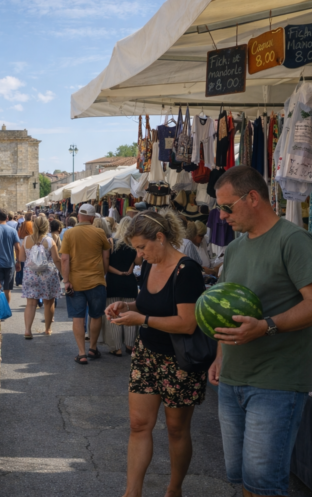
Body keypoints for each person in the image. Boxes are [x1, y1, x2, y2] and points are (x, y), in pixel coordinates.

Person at [208, 166, 312, 497]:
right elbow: (226, 307)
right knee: (242, 478)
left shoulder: (293, 240)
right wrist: (220, 355)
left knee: (264, 483)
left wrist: (267, 327)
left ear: (252, 198)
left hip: (276, 383)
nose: (221, 216)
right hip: (233, 379)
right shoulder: (234, 249)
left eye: (226, 207)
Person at [104, 209, 207, 497]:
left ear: (160, 237)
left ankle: (174, 490)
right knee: (138, 424)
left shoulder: (188, 271)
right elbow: (147, 304)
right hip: (146, 354)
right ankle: (131, 492)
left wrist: (143, 320)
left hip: (180, 360)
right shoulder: (150, 266)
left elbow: (187, 324)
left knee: (176, 429)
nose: (139, 255)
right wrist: (127, 307)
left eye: (141, 247)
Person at [60, 204, 111, 364]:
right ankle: (93, 348)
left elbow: (64, 259)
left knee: (78, 316)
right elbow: (106, 257)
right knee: (96, 315)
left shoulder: (69, 233)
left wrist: (66, 281)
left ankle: (81, 353)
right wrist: (103, 274)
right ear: (92, 218)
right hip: (96, 281)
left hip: (76, 282)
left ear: (79, 216)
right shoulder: (99, 232)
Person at [102, 216, 142, 356]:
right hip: (129, 281)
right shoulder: (134, 243)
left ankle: (116, 347)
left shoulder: (111, 242)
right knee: (130, 311)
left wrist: (118, 272)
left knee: (114, 313)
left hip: (113, 281)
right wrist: (129, 268)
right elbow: (138, 261)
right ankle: (130, 345)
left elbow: (106, 264)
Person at [21, 216, 61, 338]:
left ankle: (28, 330)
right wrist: (64, 274)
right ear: (46, 227)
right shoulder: (49, 241)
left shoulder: (26, 240)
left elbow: (22, 258)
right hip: (47, 275)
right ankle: (47, 329)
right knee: (49, 302)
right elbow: (56, 260)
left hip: (30, 274)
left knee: (31, 303)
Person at [0, 209, 22, 303]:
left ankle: (0, 309)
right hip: (9, 263)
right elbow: (17, 247)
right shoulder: (13, 231)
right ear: (7, 218)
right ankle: (6, 309)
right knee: (7, 290)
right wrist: (18, 261)